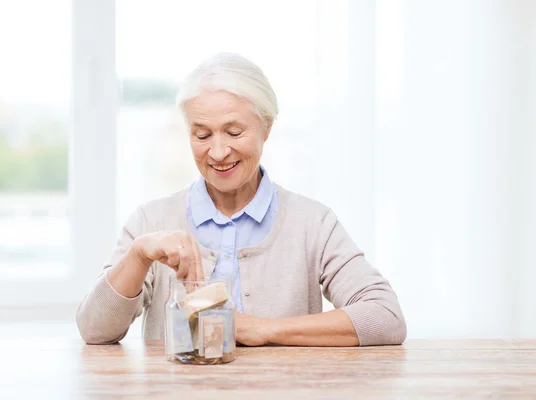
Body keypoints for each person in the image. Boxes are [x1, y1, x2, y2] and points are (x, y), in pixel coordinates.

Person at [76, 53, 406, 347]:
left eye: (234, 132)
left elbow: (385, 318)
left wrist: (261, 329)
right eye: (202, 134)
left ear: (266, 128)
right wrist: (138, 257)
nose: (218, 153)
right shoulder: (151, 222)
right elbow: (94, 331)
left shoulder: (313, 223)